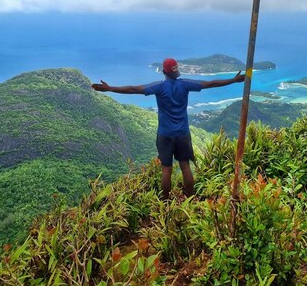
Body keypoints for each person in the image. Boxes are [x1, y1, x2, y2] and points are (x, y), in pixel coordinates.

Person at [91, 58, 245, 199]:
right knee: (185, 166)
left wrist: (110, 88)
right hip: (183, 133)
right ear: (176, 71)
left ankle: (165, 201)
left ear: (164, 72)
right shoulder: (185, 84)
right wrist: (233, 80)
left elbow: (133, 89)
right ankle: (190, 198)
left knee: (166, 170)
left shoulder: (159, 87)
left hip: (165, 134)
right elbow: (210, 84)